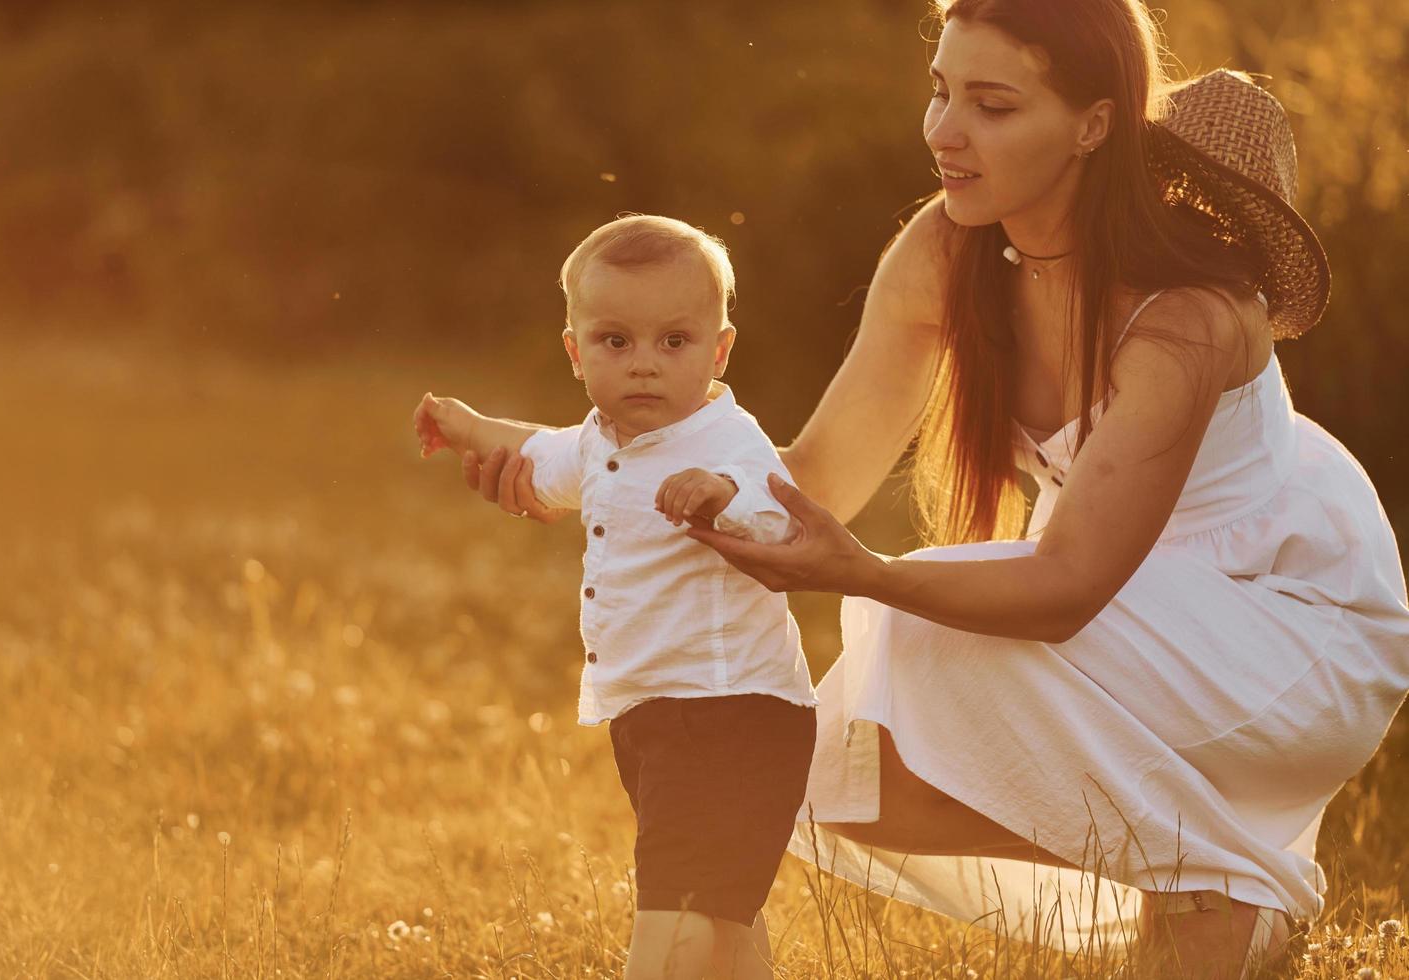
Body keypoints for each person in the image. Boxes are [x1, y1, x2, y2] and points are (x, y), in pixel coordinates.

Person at [460, 1, 1409, 977]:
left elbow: (1067, 585)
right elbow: (815, 476)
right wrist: (572, 460)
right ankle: (1207, 870)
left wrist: (862, 572)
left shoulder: (1189, 318)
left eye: (992, 105)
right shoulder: (952, 247)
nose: (944, 131)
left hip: (1283, 618)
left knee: (913, 625)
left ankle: (1223, 877)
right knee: (833, 768)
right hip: (1125, 601)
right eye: (940, 90)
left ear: (1093, 125)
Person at [414, 214, 818, 980]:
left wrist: (720, 495)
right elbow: (535, 450)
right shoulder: (599, 442)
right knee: (721, 921)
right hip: (652, 715)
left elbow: (781, 512)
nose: (644, 366)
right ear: (575, 352)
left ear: (719, 348)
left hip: (731, 712)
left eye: (674, 342)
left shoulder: (727, 441)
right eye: (615, 342)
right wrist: (467, 428)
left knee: (674, 918)